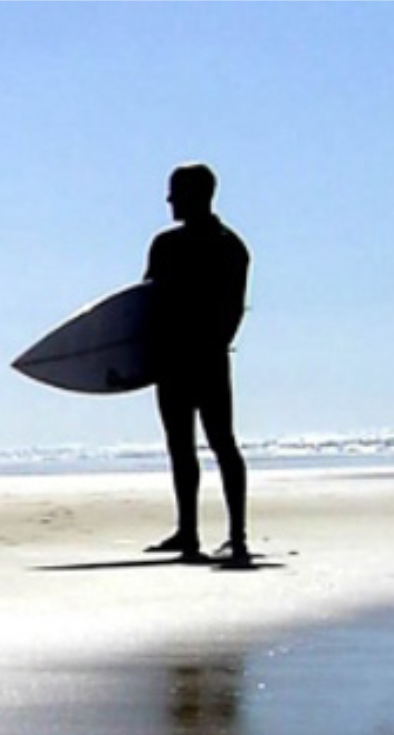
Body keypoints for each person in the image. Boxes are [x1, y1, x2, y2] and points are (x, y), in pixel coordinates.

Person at [141, 162, 252, 565]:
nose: (169, 200)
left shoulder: (227, 247)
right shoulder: (169, 245)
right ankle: (188, 532)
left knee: (222, 443)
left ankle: (236, 536)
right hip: (178, 360)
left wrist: (207, 347)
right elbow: (144, 308)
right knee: (181, 447)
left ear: (197, 195)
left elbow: (232, 310)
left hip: (198, 360)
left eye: (175, 192)